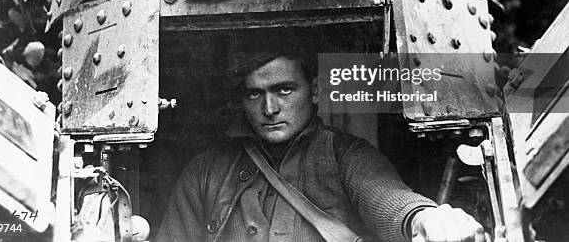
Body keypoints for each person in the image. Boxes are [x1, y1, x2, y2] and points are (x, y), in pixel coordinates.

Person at [156, 48, 490, 242]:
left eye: (284, 89)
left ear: (314, 91)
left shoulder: (345, 155)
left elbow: (388, 197)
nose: (269, 108)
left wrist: (425, 220)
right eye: (254, 94)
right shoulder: (205, 171)